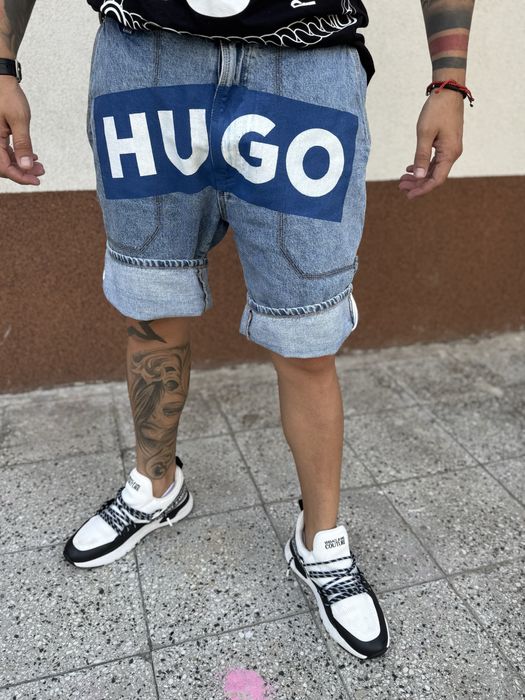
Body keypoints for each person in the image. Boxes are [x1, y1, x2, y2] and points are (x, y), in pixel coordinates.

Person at [0, 0, 475, 661]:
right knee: (151, 307)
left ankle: (320, 539)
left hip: (306, 66)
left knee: (307, 336)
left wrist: (449, 81)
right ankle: (157, 486)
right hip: (146, 59)